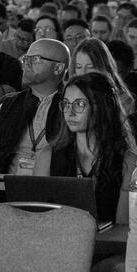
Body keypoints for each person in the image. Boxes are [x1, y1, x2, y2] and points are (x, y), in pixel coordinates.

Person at [34, 72, 135, 224]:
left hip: (106, 239)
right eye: (66, 104)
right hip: (56, 236)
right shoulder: (48, 155)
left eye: (80, 104)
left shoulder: (128, 162)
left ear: (103, 107)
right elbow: (36, 218)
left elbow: (123, 227)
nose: (70, 112)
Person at [0, 38, 70, 174]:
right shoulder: (9, 106)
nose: (26, 63)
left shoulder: (71, 107)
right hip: (8, 184)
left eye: (35, 59)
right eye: (26, 58)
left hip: (55, 185)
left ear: (58, 68)